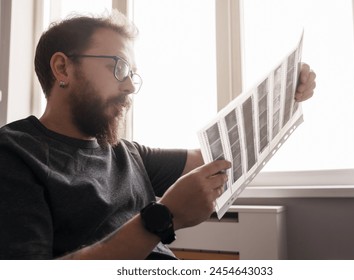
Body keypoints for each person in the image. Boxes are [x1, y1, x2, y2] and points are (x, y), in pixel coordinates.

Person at [0, 11, 316, 260]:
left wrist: (284, 95)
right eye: (119, 68)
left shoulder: (127, 153)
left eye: (132, 76)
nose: (128, 87)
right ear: (62, 68)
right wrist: (164, 216)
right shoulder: (15, 154)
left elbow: (221, 157)